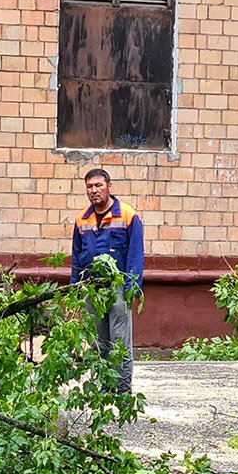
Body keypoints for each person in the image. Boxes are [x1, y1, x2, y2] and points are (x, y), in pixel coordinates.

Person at [70, 168, 145, 394]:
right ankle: (104, 387)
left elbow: (135, 254)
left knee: (119, 341)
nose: (94, 190)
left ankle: (122, 390)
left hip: (119, 287)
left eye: (98, 185)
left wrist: (133, 287)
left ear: (109, 187)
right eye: (89, 187)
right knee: (98, 341)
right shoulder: (82, 219)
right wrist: (75, 287)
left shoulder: (128, 215)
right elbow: (76, 256)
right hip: (92, 289)